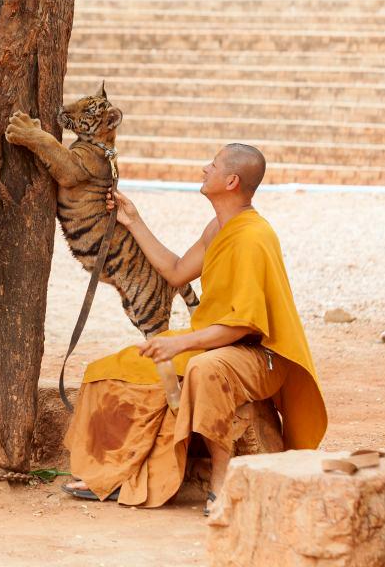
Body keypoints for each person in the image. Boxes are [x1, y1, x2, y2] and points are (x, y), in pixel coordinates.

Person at [63, 143, 326, 516]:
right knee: (107, 370)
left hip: (258, 354)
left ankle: (221, 481)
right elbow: (175, 271)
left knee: (205, 370)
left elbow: (242, 325)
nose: (205, 168)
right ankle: (109, 472)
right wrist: (133, 220)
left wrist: (180, 343)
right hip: (213, 343)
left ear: (231, 180)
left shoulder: (253, 237)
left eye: (213, 165)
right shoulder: (218, 227)